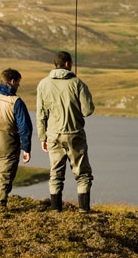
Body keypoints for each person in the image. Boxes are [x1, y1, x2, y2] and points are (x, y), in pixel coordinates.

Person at [36, 51, 95, 212]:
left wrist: (42, 137)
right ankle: (83, 210)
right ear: (68, 64)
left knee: (55, 173)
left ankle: (56, 210)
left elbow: (41, 114)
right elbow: (88, 110)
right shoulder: (77, 83)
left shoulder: (43, 84)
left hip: (53, 135)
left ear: (55, 64)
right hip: (75, 133)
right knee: (82, 174)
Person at [0, 68, 32, 208]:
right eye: (18, 83)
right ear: (12, 81)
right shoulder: (16, 101)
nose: (18, 86)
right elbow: (25, 127)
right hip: (8, 142)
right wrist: (26, 148)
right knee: (4, 178)